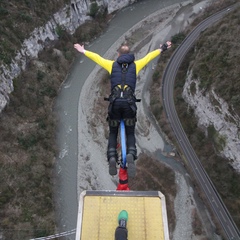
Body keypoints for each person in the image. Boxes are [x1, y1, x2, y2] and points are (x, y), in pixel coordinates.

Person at [74, 41, 171, 177]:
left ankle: (112, 157)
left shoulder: (112, 65)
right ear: (130, 55)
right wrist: (163, 48)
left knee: (113, 133)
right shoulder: (136, 65)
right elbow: (150, 56)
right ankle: (131, 154)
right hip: (129, 105)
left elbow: (97, 58)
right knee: (130, 133)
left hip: (115, 105)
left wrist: (83, 51)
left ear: (118, 54)